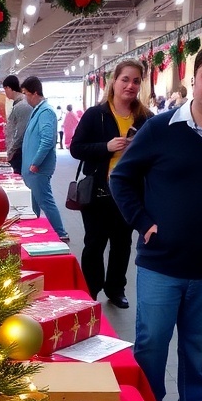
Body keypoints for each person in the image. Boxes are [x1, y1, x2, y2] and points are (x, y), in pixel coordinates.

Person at [110, 42, 202, 401]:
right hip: (162, 261)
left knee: (197, 341)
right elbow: (121, 178)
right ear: (194, 82)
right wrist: (142, 222)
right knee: (152, 342)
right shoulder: (161, 129)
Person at [70, 59, 151, 307]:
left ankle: (116, 289)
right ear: (113, 81)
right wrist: (106, 147)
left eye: (136, 81)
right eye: (125, 79)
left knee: (122, 244)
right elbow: (76, 148)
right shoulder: (97, 115)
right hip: (98, 191)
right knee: (94, 242)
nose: (130, 85)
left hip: (128, 194)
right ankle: (91, 290)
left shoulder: (146, 117)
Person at [20, 75, 69, 241]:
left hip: (38, 168)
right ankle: (36, 229)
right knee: (35, 201)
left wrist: (35, 163)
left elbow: (47, 140)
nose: (25, 98)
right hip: (33, 168)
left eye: (26, 93)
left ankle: (61, 233)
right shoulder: (39, 110)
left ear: (35, 93)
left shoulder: (46, 112)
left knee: (45, 200)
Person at [1, 75, 32, 174]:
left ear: (9, 88)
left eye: (5, 89)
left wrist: (12, 151)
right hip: (19, 150)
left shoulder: (22, 106)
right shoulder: (19, 104)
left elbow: (20, 132)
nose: (5, 93)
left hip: (20, 152)